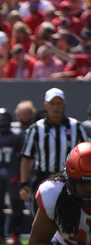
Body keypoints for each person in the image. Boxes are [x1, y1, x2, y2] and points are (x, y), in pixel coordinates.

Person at [20, 88, 88, 217]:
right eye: (52, 103)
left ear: (64, 104)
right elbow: (27, 158)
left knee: (69, 220)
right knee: (42, 219)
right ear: (46, 105)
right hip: (43, 179)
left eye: (58, 103)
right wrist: (24, 184)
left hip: (69, 181)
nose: (55, 107)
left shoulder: (76, 127)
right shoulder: (36, 129)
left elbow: (86, 155)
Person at [0, 108, 26, 245]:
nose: (2, 123)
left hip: (13, 173)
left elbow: (22, 157)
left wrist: (20, 174)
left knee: (16, 203)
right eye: (0, 120)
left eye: (5, 120)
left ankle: (15, 234)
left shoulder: (17, 135)